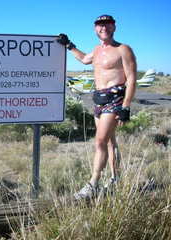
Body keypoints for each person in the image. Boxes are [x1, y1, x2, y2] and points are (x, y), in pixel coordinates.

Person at [57, 14, 137, 199]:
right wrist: (69, 45)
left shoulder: (123, 49)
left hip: (115, 99)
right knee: (109, 141)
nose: (104, 28)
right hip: (99, 100)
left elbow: (132, 79)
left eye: (107, 25)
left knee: (99, 141)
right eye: (100, 25)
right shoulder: (97, 50)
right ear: (95, 29)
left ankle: (93, 183)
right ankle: (116, 178)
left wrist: (125, 106)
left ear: (114, 27)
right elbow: (85, 59)